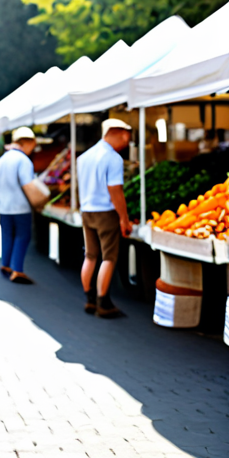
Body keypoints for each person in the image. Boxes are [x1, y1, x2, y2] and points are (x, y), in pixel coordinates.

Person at [77, 119, 133, 317]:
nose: (127, 140)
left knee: (91, 255)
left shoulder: (84, 157)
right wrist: (124, 219)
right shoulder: (113, 158)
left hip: (87, 210)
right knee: (108, 257)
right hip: (105, 212)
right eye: (126, 135)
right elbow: (115, 191)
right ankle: (104, 302)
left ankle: (90, 299)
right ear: (118, 133)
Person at [0, 127, 37, 284]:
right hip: (20, 206)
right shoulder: (23, 160)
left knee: (7, 235)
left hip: (4, 206)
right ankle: (17, 270)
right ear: (27, 143)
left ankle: (6, 265)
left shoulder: (1, 160)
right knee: (22, 236)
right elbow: (28, 184)